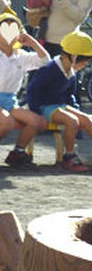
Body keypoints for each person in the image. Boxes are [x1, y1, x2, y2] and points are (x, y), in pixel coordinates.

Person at [26, 30, 92, 173]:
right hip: (43, 107)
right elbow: (32, 90)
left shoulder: (70, 72)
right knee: (72, 121)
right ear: (73, 57)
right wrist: (35, 113)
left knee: (85, 118)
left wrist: (76, 110)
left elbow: (70, 96)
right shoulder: (49, 69)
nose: (85, 64)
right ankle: (69, 156)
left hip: (59, 106)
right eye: (84, 61)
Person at [0, 12, 50, 166]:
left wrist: (33, 43)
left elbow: (45, 61)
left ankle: (17, 153)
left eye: (13, 30)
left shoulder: (21, 55)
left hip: (9, 100)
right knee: (7, 122)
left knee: (37, 121)